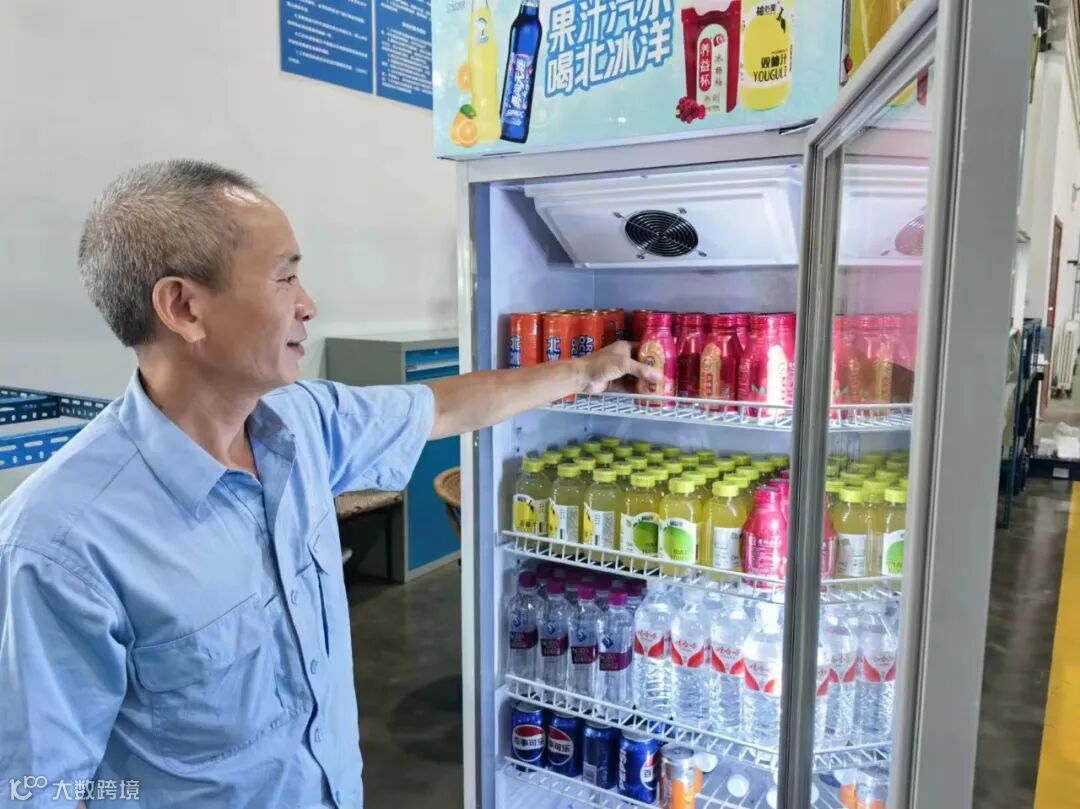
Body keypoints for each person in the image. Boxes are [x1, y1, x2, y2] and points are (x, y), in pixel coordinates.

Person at [0, 161, 658, 808]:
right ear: (183, 307)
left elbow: (445, 406)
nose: (307, 305)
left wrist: (585, 372)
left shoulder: (301, 423)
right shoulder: (62, 544)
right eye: (285, 277)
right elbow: (37, 786)